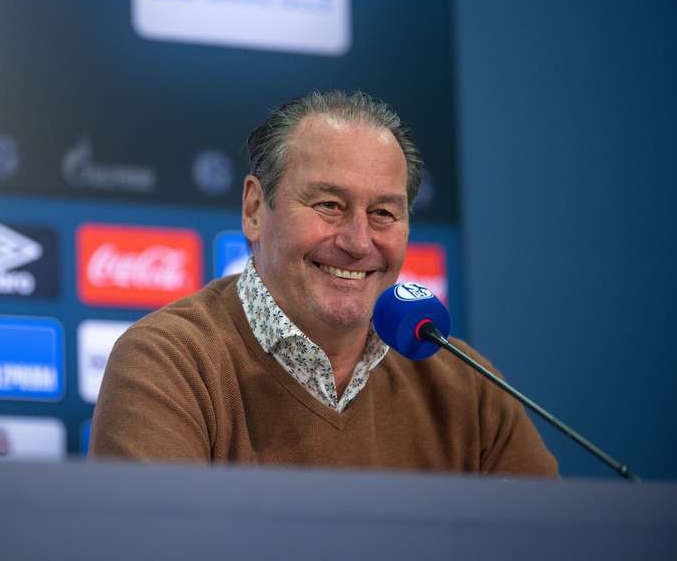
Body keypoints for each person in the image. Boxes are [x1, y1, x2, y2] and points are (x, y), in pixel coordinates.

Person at [89, 91, 558, 477]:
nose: (358, 242)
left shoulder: (466, 387)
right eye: (330, 205)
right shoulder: (167, 364)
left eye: (383, 214)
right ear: (255, 209)